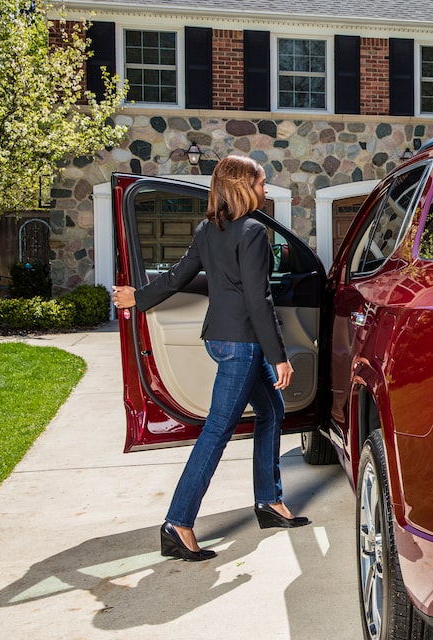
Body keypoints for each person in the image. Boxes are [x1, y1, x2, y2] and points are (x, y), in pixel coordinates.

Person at [112, 155, 309, 562]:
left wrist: (139, 296)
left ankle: (269, 501)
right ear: (244, 187)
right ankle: (178, 523)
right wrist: (279, 357)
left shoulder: (208, 230)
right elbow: (258, 299)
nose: (265, 190)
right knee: (217, 431)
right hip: (242, 346)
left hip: (219, 339)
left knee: (271, 410)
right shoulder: (253, 232)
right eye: (261, 183)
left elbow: (178, 275)